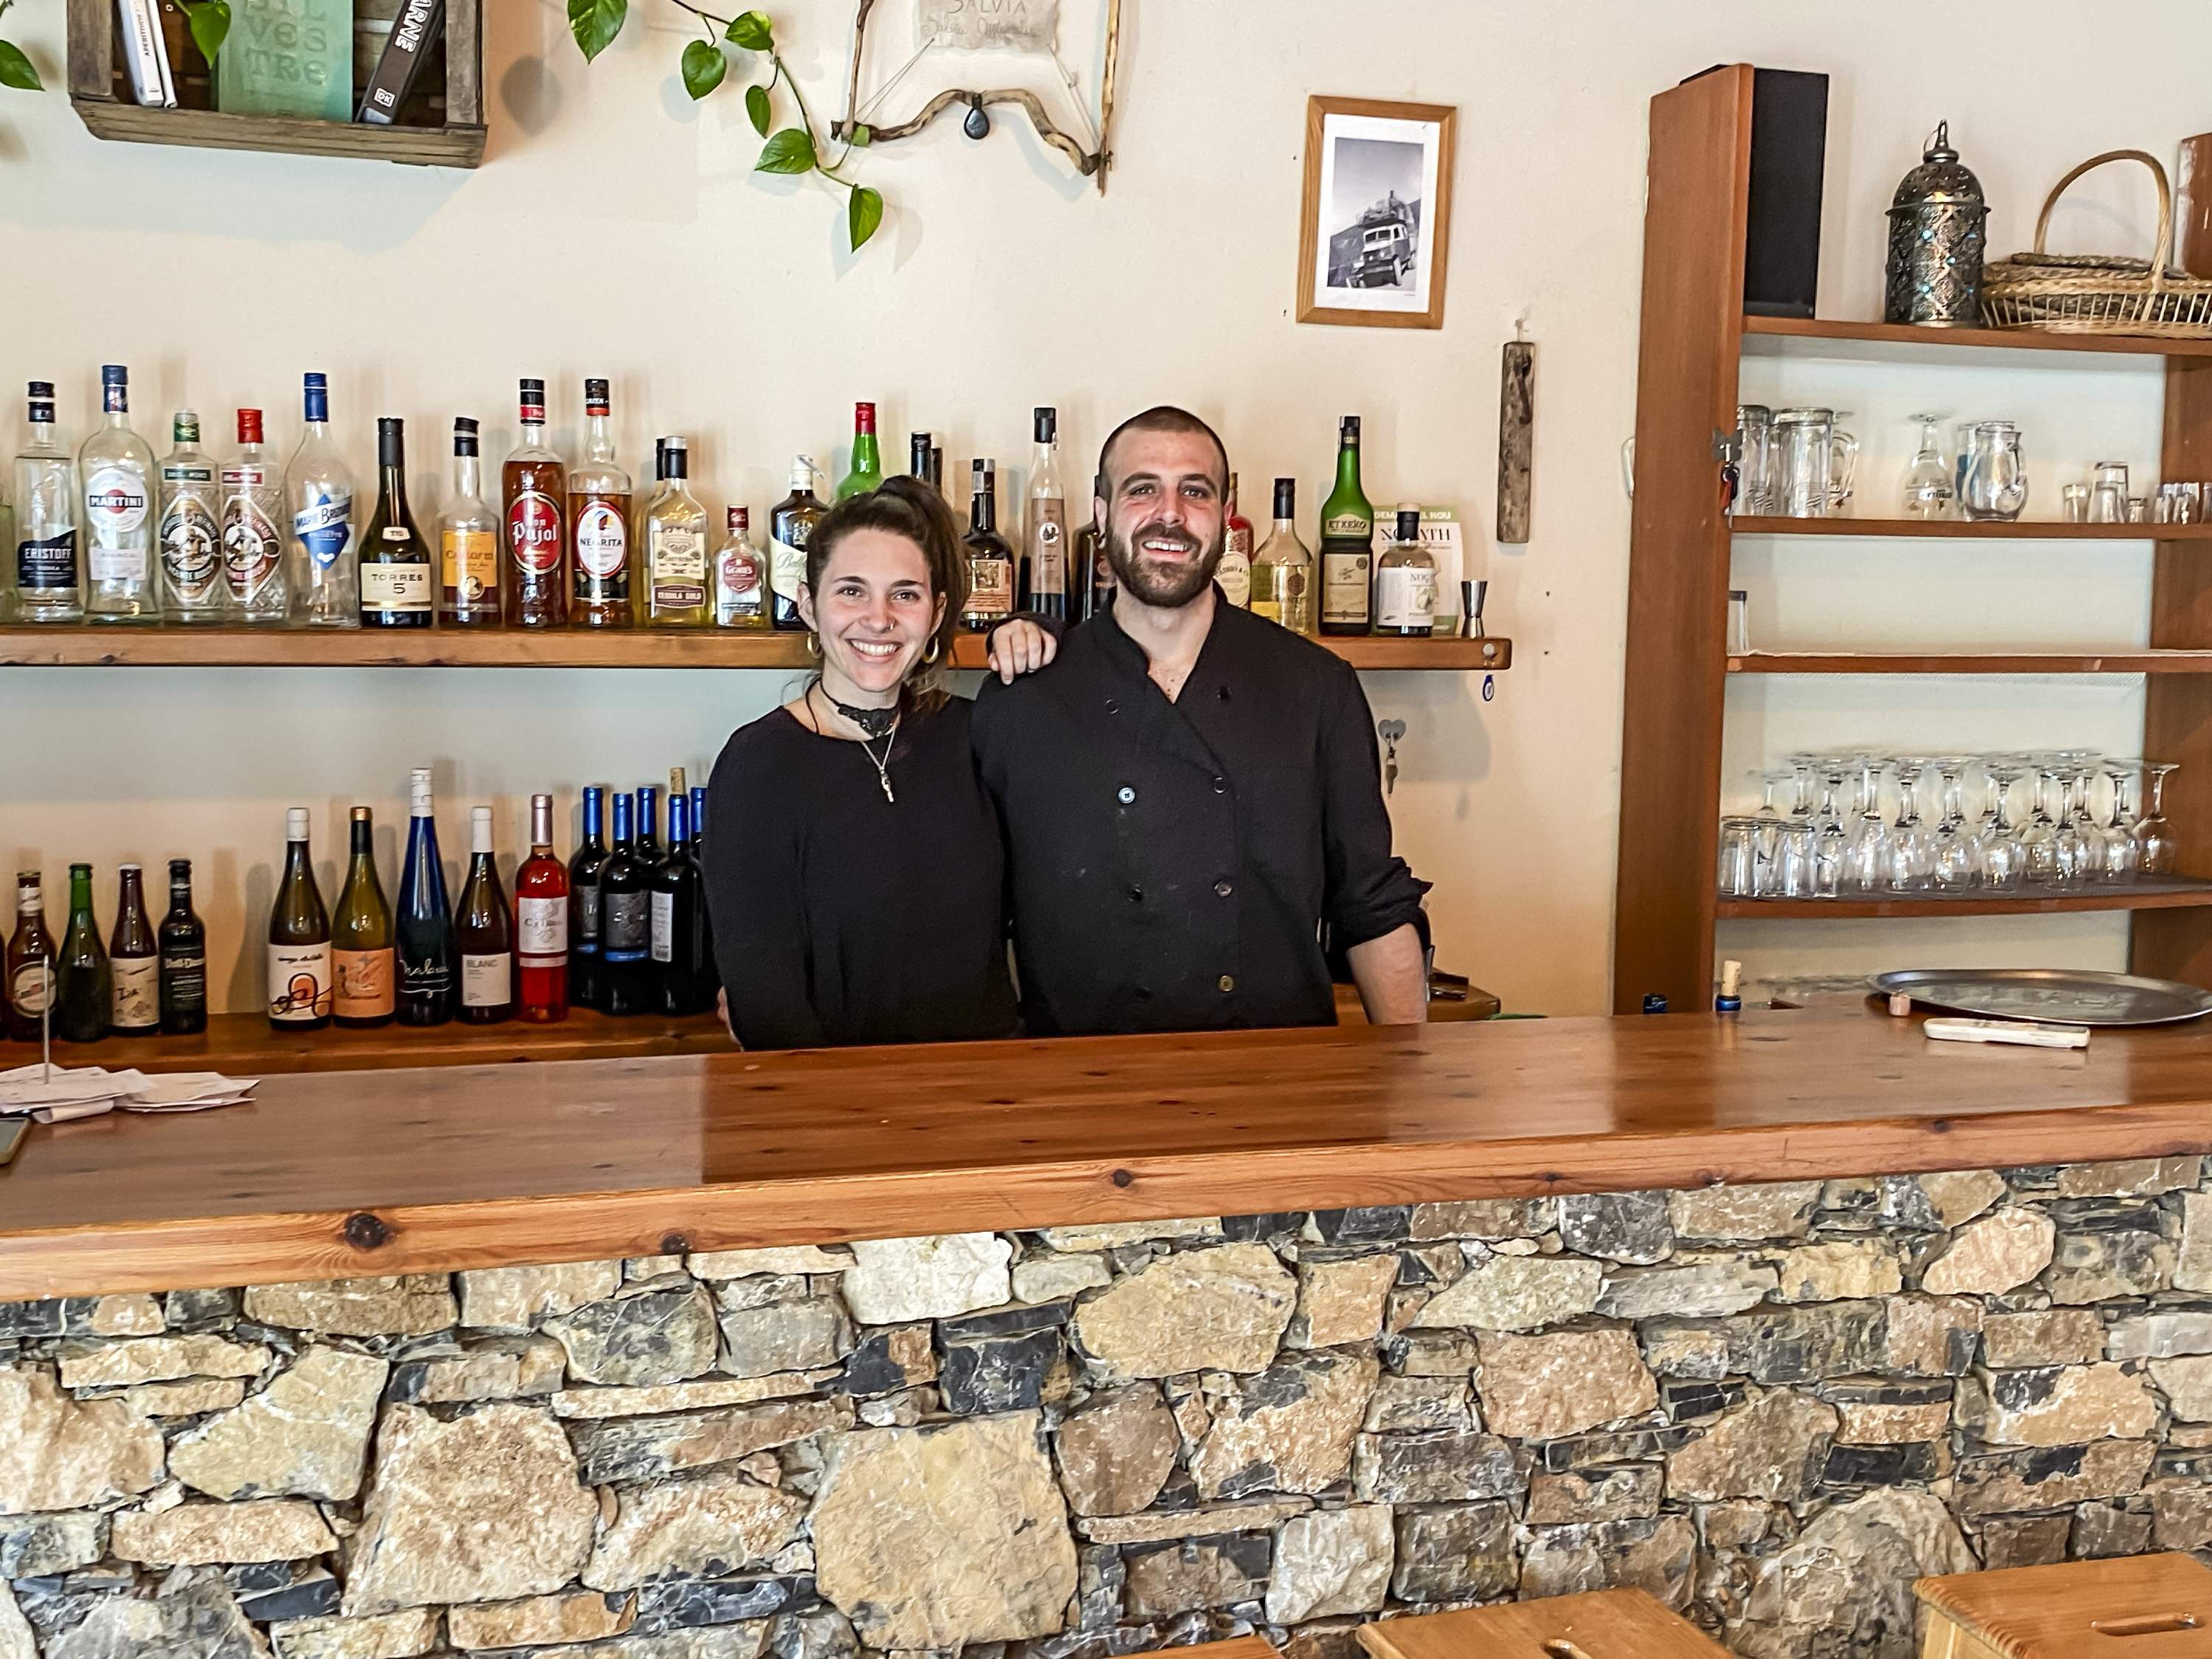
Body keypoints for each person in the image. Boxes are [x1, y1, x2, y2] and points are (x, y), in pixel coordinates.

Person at [970, 406, 1430, 1037]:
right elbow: (975, 923)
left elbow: (1372, 904)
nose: (1170, 514)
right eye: (1142, 490)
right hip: (1080, 1086)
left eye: (1195, 490)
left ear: (1224, 514)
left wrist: (1411, 1078)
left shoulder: (1315, 687)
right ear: (1100, 515)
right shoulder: (1025, 699)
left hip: (1273, 1080)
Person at [703, 476, 1054, 1048]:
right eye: (851, 591)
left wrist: (1044, 629)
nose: (880, 618)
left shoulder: (977, 735)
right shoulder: (758, 764)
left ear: (937, 612)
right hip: (831, 1111)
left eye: (906, 594)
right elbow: (764, 1001)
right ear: (808, 607)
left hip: (986, 1093)